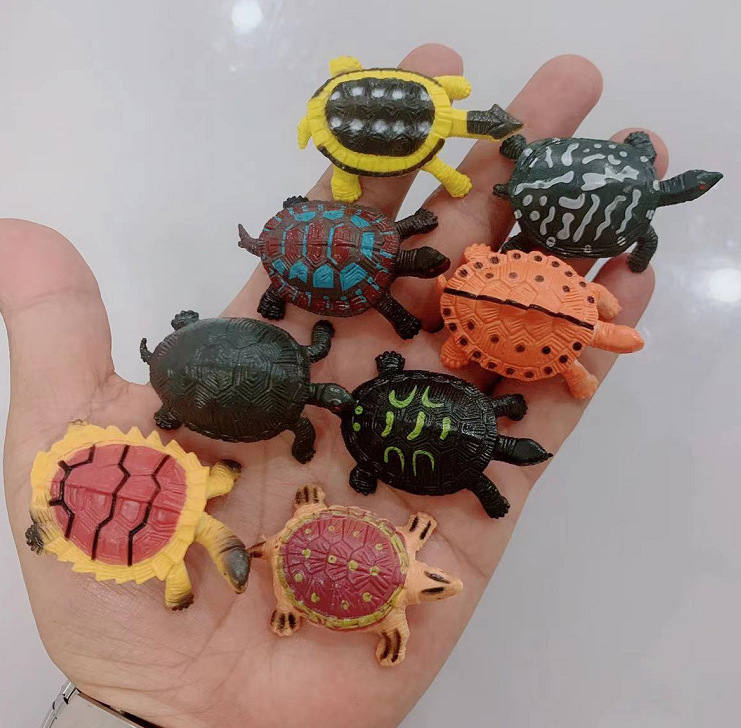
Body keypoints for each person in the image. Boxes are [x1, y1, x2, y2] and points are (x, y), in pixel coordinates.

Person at [0, 44, 661, 728]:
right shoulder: (307, 381)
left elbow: (315, 348)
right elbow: (316, 355)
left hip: (316, 375)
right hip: (294, 379)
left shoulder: (307, 367)